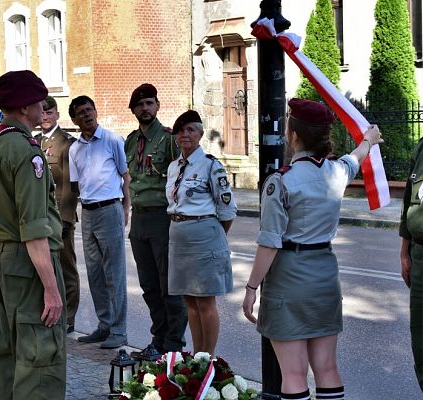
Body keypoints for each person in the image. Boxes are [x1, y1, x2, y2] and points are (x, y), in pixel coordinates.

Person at [242, 98, 383, 400]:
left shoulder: (280, 182)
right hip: (325, 275)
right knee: (327, 367)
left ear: (293, 134)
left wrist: (252, 287)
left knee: (293, 373)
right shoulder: (337, 172)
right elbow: (357, 155)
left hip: (289, 278)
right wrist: (369, 139)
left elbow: (269, 242)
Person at [0, 70, 66, 399]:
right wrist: (51, 289)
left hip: (2, 260)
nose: (43, 107)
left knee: (10, 353)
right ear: (26, 107)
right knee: (40, 358)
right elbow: (34, 230)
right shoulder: (28, 152)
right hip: (31, 265)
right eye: (39, 102)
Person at [165, 110, 237, 356]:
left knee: (205, 301)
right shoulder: (174, 167)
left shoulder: (210, 166)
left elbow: (227, 210)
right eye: (181, 131)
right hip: (178, 237)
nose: (185, 135)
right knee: (190, 303)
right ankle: (198, 356)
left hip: (204, 236)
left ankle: (210, 357)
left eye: (191, 130)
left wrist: (211, 235)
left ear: (200, 134)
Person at [124, 83, 187, 357]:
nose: (145, 108)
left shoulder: (170, 140)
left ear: (158, 106)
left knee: (168, 286)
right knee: (149, 285)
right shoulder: (129, 141)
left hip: (163, 218)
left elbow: (182, 178)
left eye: (149, 103)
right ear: (133, 110)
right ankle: (157, 340)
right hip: (139, 219)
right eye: (140, 104)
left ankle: (173, 345)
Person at [68, 95, 130, 349]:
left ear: (95, 111)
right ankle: (104, 325)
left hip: (109, 208)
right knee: (95, 273)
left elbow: (126, 176)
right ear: (74, 119)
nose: (87, 115)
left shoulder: (113, 140)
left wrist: (126, 207)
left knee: (114, 272)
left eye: (89, 109)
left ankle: (119, 330)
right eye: (81, 113)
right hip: (88, 212)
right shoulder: (74, 149)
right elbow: (76, 184)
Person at [36, 95, 80, 334]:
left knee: (66, 267)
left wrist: (65, 217)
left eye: (49, 113)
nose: (45, 117)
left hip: (59, 217)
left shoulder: (66, 143)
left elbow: (70, 184)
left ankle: (69, 317)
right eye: (42, 113)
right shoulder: (33, 142)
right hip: (40, 216)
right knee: (45, 266)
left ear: (57, 115)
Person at [399, 138, 423, 392]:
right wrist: (404, 252)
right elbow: (408, 201)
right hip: (419, 255)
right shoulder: (422, 148)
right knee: (420, 338)